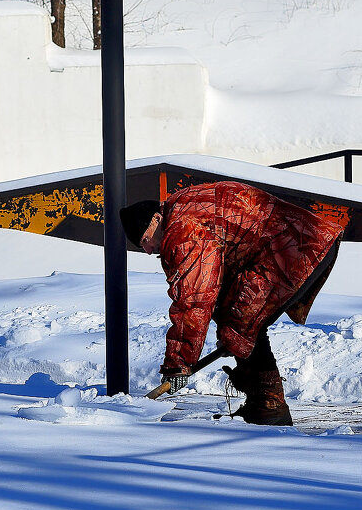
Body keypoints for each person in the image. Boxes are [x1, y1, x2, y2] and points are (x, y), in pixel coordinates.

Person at [120, 181, 344, 425]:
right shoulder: (186, 206)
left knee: (239, 330)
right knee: (236, 324)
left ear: (155, 220)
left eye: (145, 241)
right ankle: (266, 404)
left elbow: (194, 299)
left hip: (292, 249)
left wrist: (179, 364)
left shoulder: (183, 229)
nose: (149, 251)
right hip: (302, 241)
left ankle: (269, 409)